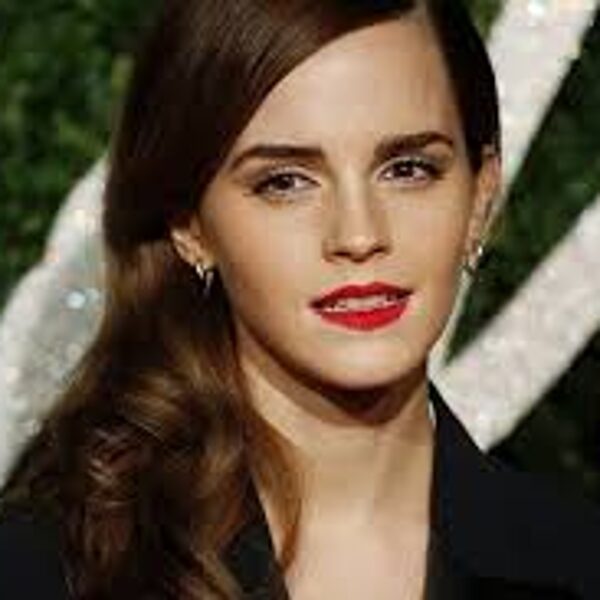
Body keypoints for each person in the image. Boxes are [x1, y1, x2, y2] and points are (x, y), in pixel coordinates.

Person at [1, 0, 599, 598]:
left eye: (408, 169)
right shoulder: (50, 568)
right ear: (189, 224)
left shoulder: (578, 564)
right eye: (285, 182)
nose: (359, 235)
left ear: (480, 197)